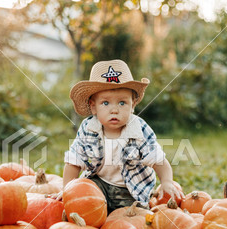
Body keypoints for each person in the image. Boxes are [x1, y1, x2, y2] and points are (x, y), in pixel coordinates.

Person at [62, 59, 183, 212]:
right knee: (85, 203)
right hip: (99, 183)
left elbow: (158, 159)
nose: (114, 110)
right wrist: (67, 191)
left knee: (133, 219)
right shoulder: (88, 128)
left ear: (132, 105)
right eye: (105, 103)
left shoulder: (139, 129)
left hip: (130, 190)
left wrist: (166, 182)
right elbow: (74, 161)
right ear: (93, 107)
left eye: (122, 103)